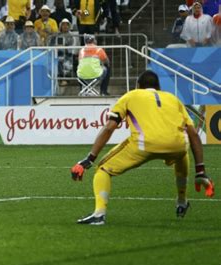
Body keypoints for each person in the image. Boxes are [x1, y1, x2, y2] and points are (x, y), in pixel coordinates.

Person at [70, 70, 215, 225]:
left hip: (144, 144)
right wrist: (200, 170)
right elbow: (193, 133)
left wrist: (90, 158)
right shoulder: (173, 99)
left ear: (138, 85)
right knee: (182, 154)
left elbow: (109, 127)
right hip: (177, 145)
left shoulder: (131, 95)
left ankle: (99, 214)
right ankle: (181, 201)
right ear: (158, 87)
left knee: (103, 169)